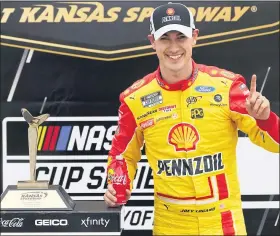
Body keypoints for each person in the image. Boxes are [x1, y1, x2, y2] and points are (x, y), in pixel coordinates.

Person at [104, 2, 279, 235]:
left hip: (223, 222)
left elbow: (275, 144)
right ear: (152, 42)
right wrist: (116, 187)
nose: (174, 46)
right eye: (165, 38)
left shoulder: (227, 86)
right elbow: (122, 155)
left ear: (194, 37)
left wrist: (265, 119)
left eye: (181, 36)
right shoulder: (134, 98)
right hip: (170, 224)